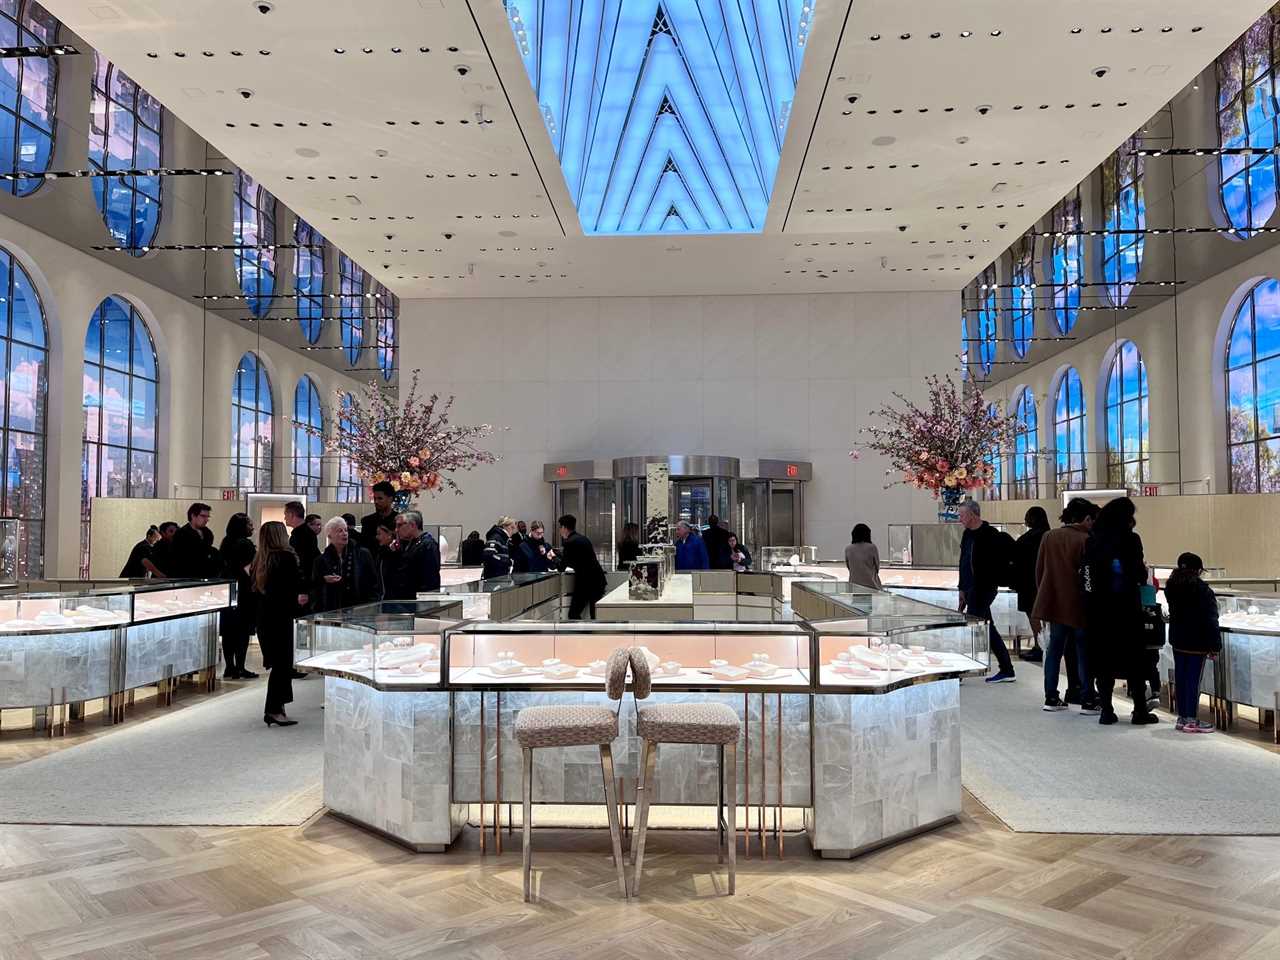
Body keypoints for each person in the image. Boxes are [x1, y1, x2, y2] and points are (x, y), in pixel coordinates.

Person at [1082, 496, 1157, 725]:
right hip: (1127, 607)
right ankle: (1139, 710)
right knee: (1134, 658)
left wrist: (1090, 600)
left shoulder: (1093, 541)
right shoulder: (1132, 540)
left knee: (1103, 658)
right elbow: (1139, 574)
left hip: (1099, 609)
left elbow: (1087, 576)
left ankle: (1106, 709)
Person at [1032, 498, 1097, 712]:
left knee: (1054, 650)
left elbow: (1040, 570)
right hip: (1079, 605)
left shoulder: (1049, 537)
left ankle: (1051, 696)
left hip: (1055, 602)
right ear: (1086, 518)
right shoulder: (1086, 540)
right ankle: (1087, 697)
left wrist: (1045, 594)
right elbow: (1089, 576)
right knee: (1084, 651)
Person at [957, 499, 1017, 683]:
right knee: (987, 627)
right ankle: (1007, 669)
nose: (960, 518)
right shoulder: (967, 534)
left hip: (984, 587)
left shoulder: (990, 535)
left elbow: (996, 563)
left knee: (974, 626)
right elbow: (963, 562)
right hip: (971, 588)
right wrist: (961, 588)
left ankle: (962, 669)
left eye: (962, 515)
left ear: (973, 515)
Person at [252, 521, 304, 727]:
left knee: (279, 664)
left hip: (266, 617)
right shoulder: (285, 558)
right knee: (283, 665)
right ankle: (274, 709)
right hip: (282, 617)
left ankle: (277, 708)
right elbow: (292, 589)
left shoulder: (261, 560)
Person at [1165, 551, 1221, 734]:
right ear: (1197, 570)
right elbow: (1211, 619)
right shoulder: (1202, 590)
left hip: (1178, 640)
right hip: (1197, 643)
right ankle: (1190, 719)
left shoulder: (1171, 587)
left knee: (1181, 678)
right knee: (1193, 680)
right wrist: (1215, 646)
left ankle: (1182, 717)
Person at [218, 513, 258, 680]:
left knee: (229, 632)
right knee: (242, 631)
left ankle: (230, 667)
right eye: (249, 524)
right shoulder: (246, 544)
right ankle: (240, 667)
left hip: (228, 591)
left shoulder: (226, 542)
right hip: (244, 592)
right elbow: (248, 569)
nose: (252, 527)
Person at [311, 517, 380, 612]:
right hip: (332, 611)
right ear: (330, 536)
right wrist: (324, 580)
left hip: (360, 609)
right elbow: (314, 587)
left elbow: (373, 583)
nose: (344, 533)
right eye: (339, 531)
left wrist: (372, 607)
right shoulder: (320, 560)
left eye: (346, 530)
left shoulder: (363, 554)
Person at [1013, 506, 1051, 663]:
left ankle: (1040, 646)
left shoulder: (1026, 539)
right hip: (1046, 582)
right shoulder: (1048, 536)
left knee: (1033, 615)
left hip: (1028, 583)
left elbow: (1016, 561)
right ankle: (1048, 645)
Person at [557, 513, 607, 619]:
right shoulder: (583, 538)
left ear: (564, 528)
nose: (560, 531)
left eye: (560, 528)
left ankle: (582, 635)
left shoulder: (569, 542)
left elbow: (562, 566)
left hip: (585, 583)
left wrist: (553, 558)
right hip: (598, 580)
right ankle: (593, 635)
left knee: (573, 614)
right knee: (595, 615)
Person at [383, 510, 441, 599]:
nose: (396, 530)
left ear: (413, 525)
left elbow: (430, 578)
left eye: (400, 525)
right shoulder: (408, 544)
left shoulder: (427, 545)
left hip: (418, 600)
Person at [170, 503, 221, 579]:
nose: (206, 520)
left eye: (207, 517)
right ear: (193, 516)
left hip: (207, 576)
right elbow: (181, 559)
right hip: (187, 577)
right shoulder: (181, 534)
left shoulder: (207, 533)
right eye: (203, 516)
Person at [284, 501, 319, 610]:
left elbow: (304, 563)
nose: (285, 518)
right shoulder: (305, 533)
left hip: (302, 588)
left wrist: (303, 590)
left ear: (291, 514)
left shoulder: (301, 535)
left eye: (285, 514)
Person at [359, 481, 399, 552]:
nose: (376, 502)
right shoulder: (367, 521)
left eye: (380, 498)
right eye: (375, 499)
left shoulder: (399, 521)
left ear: (390, 499)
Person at [844, 524, 882, 589]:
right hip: (870, 585)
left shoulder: (848, 549)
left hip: (854, 585)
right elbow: (877, 566)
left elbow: (849, 567)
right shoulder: (872, 547)